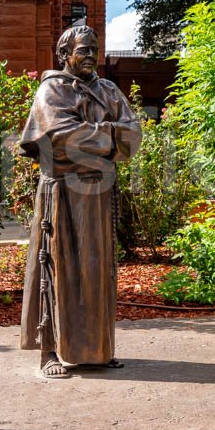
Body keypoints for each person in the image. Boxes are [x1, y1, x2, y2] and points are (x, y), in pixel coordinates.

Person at [19, 25, 141, 378]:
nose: (91, 56)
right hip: (63, 192)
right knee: (56, 268)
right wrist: (108, 135)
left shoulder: (108, 90)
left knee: (96, 271)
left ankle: (96, 349)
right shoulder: (52, 89)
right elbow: (58, 137)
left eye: (94, 50)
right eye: (84, 50)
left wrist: (97, 137)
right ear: (64, 55)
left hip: (98, 193)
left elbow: (132, 135)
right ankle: (49, 351)